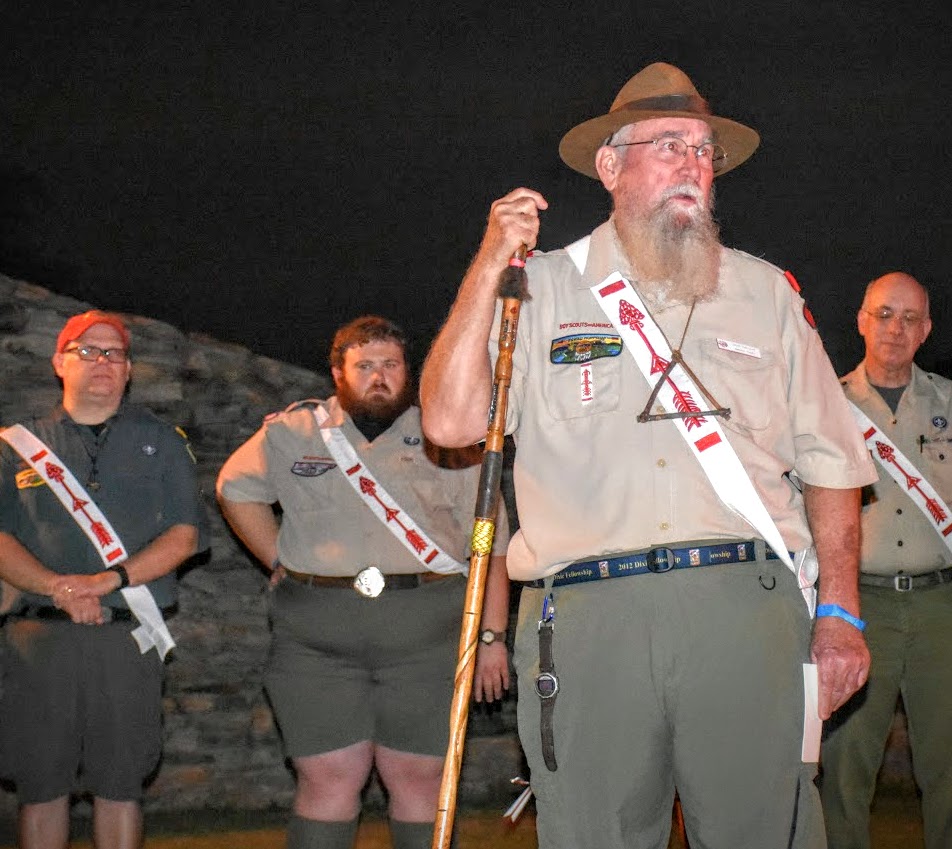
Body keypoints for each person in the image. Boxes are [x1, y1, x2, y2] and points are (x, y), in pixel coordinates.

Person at [418, 62, 878, 849]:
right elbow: (450, 420)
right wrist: (491, 263)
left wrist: (838, 613)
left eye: (703, 151)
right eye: (669, 145)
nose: (693, 165)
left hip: (743, 608)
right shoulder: (542, 288)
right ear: (610, 165)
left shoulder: (766, 292)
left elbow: (830, 461)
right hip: (588, 617)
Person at [216, 315, 510, 849]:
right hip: (315, 646)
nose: (379, 377)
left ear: (407, 372)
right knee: (327, 780)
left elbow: (489, 542)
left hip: (427, 641)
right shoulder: (292, 432)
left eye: (390, 365)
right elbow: (235, 489)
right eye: (365, 365)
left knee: (419, 780)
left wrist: (491, 636)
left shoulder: (446, 437)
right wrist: (276, 557)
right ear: (338, 373)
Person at [0, 309, 206, 849]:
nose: (102, 361)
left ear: (129, 369)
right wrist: (57, 587)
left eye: (114, 353)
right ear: (59, 363)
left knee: (121, 784)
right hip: (40, 636)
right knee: (40, 786)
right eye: (87, 350)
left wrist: (106, 581)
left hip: (125, 633)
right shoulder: (17, 444)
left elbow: (184, 535)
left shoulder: (162, 441)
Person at [819, 272, 952, 848]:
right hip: (859, 607)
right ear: (861, 320)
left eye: (909, 318)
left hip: (943, 605)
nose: (894, 329)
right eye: (883, 314)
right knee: (843, 771)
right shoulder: (827, 403)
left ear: (926, 329)